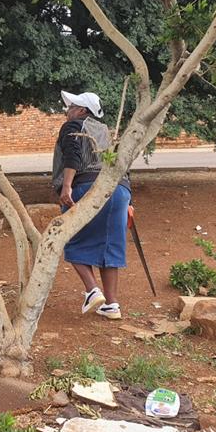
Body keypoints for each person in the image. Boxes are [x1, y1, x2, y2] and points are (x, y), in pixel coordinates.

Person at [52, 90, 131, 320]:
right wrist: (130, 201)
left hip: (87, 187)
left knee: (70, 237)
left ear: (82, 110)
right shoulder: (105, 131)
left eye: (71, 107)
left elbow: (73, 156)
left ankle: (92, 290)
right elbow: (121, 163)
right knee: (109, 246)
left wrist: (67, 186)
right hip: (119, 190)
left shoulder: (73, 126)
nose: (67, 111)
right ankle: (112, 305)